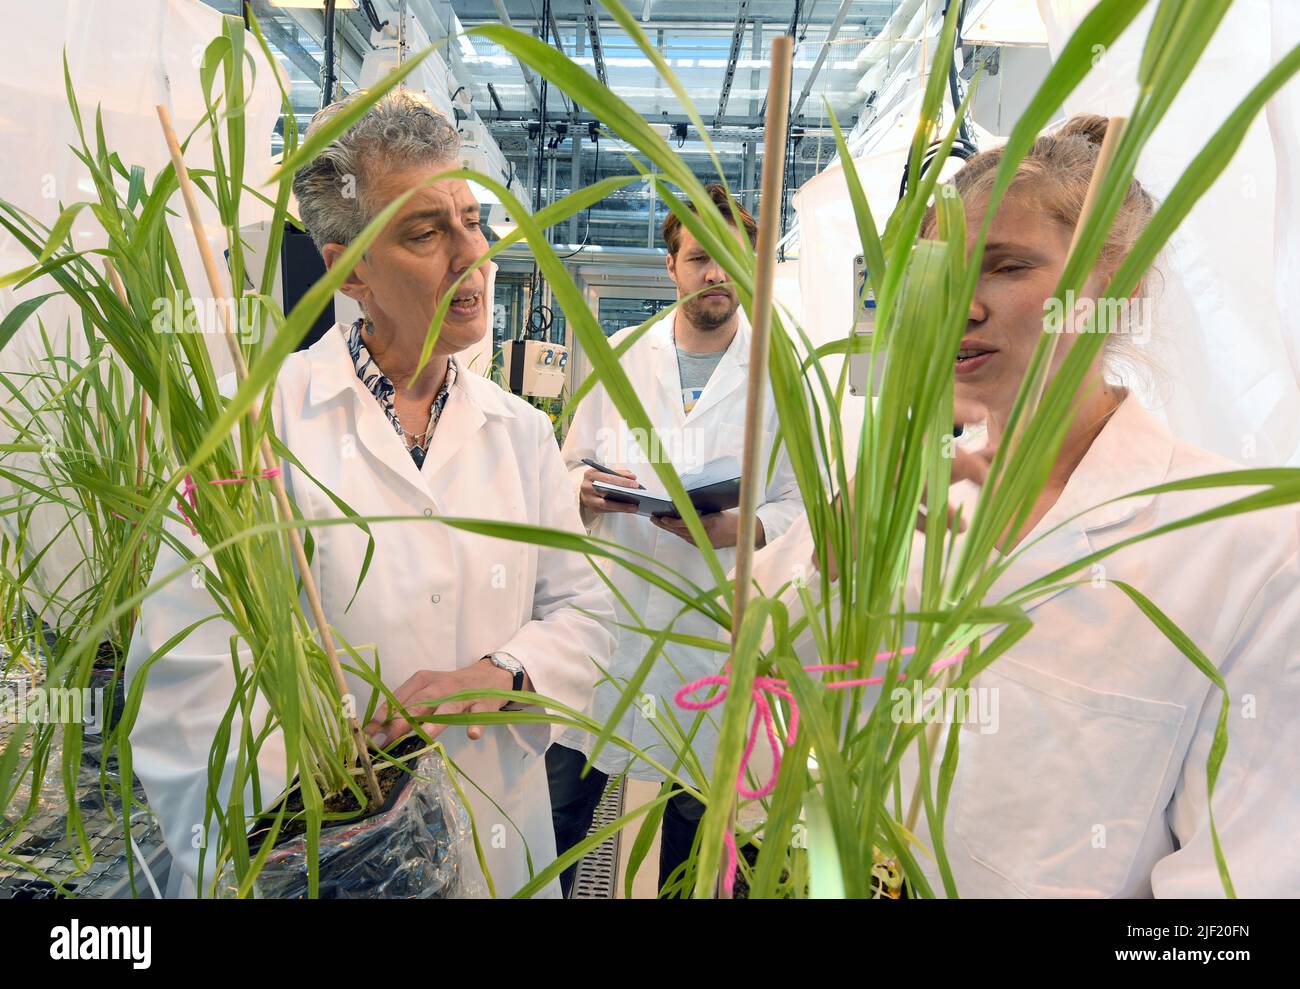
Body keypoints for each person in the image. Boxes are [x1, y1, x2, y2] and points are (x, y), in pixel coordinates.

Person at [748, 114, 1300, 897]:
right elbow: (757, 703)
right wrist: (833, 558)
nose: (960, 309)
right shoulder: (901, 503)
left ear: (1122, 282)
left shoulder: (1248, 549)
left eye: (1006, 267)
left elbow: (1236, 899)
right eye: (938, 276)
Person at [126, 89, 614, 898]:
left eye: (473, 219)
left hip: (495, 843)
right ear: (347, 270)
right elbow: (191, 675)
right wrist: (327, 839)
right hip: (321, 861)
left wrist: (504, 674)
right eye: (425, 232)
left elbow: (588, 614)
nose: (473, 255)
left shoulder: (521, 432)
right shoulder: (253, 425)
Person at [547, 185, 805, 897]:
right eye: (699, 259)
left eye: (730, 259)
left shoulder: (780, 374)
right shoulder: (624, 354)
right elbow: (566, 468)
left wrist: (742, 528)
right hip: (611, 625)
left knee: (693, 839)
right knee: (555, 814)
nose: (716, 273)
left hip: (708, 638)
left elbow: (801, 510)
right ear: (672, 266)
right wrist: (585, 489)